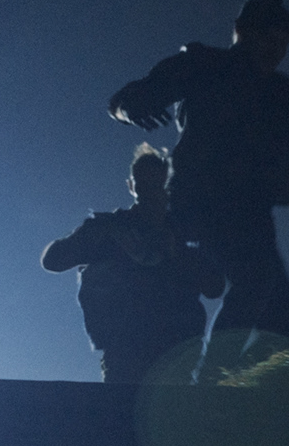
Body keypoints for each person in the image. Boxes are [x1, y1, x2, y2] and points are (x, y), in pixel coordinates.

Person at [106, 0, 289, 363]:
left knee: (279, 303)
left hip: (249, 205)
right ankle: (215, 375)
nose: (276, 51)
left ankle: (260, 378)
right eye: (269, 39)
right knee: (255, 280)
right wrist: (131, 108)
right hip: (203, 197)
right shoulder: (205, 64)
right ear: (242, 31)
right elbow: (126, 98)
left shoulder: (278, 92)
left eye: (283, 44)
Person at [41, 144, 224, 383]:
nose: (150, 193)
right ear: (131, 186)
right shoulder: (109, 228)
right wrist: (89, 238)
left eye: (156, 185)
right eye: (143, 185)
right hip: (125, 351)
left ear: (168, 186)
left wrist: (177, 254)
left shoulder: (185, 233)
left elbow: (215, 286)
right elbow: (53, 261)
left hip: (177, 351)